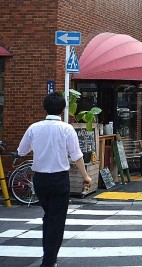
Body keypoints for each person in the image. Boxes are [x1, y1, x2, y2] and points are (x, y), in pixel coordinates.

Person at [18, 92, 92, 267]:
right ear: (63, 109)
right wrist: (85, 176)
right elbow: (76, 156)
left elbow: (22, 151)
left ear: (45, 108)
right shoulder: (67, 129)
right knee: (56, 220)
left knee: (49, 216)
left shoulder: (34, 128)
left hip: (40, 180)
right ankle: (49, 261)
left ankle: (49, 256)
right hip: (59, 179)